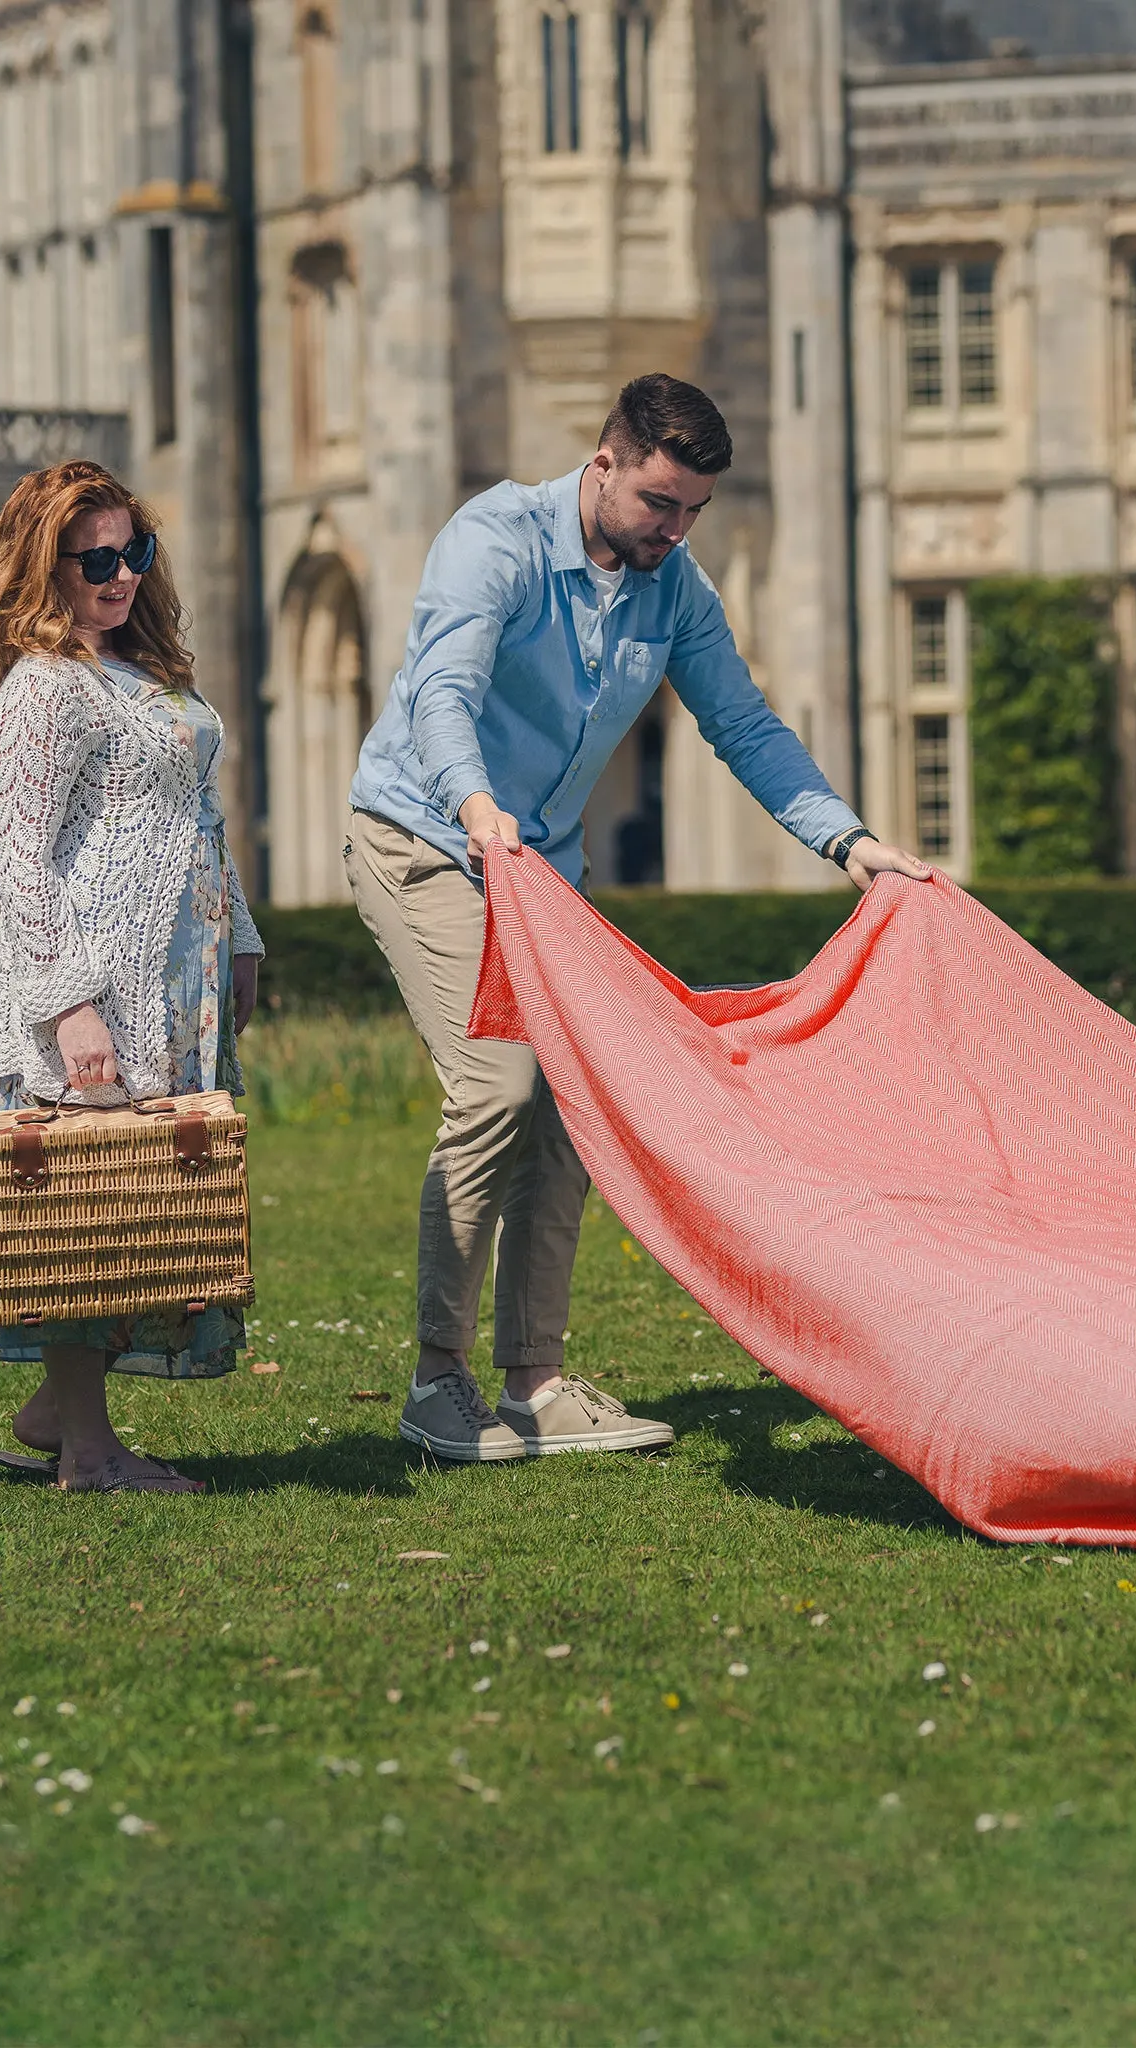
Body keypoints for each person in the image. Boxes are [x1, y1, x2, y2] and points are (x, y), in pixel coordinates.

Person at [347, 372, 928, 1464]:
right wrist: (475, 806)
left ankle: (534, 1383)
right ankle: (437, 1382)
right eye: (661, 503)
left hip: (539, 870)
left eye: (695, 509)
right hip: (424, 840)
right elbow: (442, 692)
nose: (676, 529)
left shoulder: (674, 589)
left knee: (574, 1100)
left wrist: (848, 842)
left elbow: (744, 724)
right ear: (604, 462)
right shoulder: (495, 541)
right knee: (498, 1083)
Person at [0, 461, 265, 1493]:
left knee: (142, 1195)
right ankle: (93, 1451)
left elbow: (200, 816)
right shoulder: (42, 685)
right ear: (45, 566)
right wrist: (68, 1001)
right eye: (96, 559)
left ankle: (53, 1413)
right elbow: (17, 856)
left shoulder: (146, 670)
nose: (119, 575)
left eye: (133, 553)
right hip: (95, 984)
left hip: (177, 981)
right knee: (90, 1200)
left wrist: (237, 935)